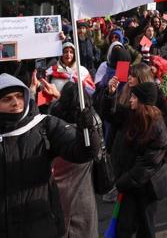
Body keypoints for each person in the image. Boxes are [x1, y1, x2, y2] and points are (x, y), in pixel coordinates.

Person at [0, 73, 99, 237]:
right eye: (7, 99)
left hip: (40, 226)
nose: (16, 103)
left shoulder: (44, 125)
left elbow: (84, 152)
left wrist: (86, 129)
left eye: (20, 96)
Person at [101, 79, 167, 237]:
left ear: (143, 102)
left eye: (134, 97)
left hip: (146, 188)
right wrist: (110, 94)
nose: (130, 99)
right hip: (130, 184)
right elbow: (110, 113)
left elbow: (147, 166)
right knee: (124, 226)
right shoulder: (130, 115)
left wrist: (121, 183)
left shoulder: (158, 129)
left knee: (145, 228)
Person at [49, 82, 100, 238]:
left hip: (59, 195)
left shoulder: (52, 125)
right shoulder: (93, 122)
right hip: (83, 195)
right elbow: (95, 152)